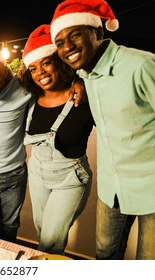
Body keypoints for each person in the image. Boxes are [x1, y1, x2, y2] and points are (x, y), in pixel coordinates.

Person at [50, 0, 155, 260]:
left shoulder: (140, 65)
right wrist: (77, 80)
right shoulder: (86, 74)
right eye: (60, 42)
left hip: (151, 186)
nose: (68, 47)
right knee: (105, 256)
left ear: (97, 32)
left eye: (75, 35)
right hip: (112, 188)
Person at [0, 45, 86, 242]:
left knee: (9, 226)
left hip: (15, 173)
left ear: (6, 71)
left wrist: (79, 80)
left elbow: (60, 74)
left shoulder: (25, 89)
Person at [21, 24, 95, 254]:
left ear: (59, 61)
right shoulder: (29, 99)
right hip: (37, 174)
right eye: (33, 68)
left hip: (69, 179)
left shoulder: (84, 98)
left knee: (51, 241)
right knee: (42, 232)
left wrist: (82, 80)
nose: (40, 72)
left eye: (45, 63)